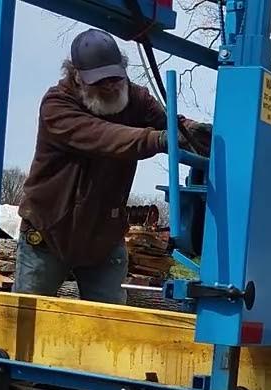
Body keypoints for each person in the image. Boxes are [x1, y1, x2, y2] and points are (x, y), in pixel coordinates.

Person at [16, 29, 211, 303]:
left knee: (111, 326)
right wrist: (160, 138)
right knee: (22, 323)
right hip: (49, 234)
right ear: (77, 76)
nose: (110, 86)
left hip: (103, 239)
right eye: (100, 81)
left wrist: (194, 132)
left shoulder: (136, 99)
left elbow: (170, 122)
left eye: (115, 78)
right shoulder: (57, 106)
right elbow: (105, 137)